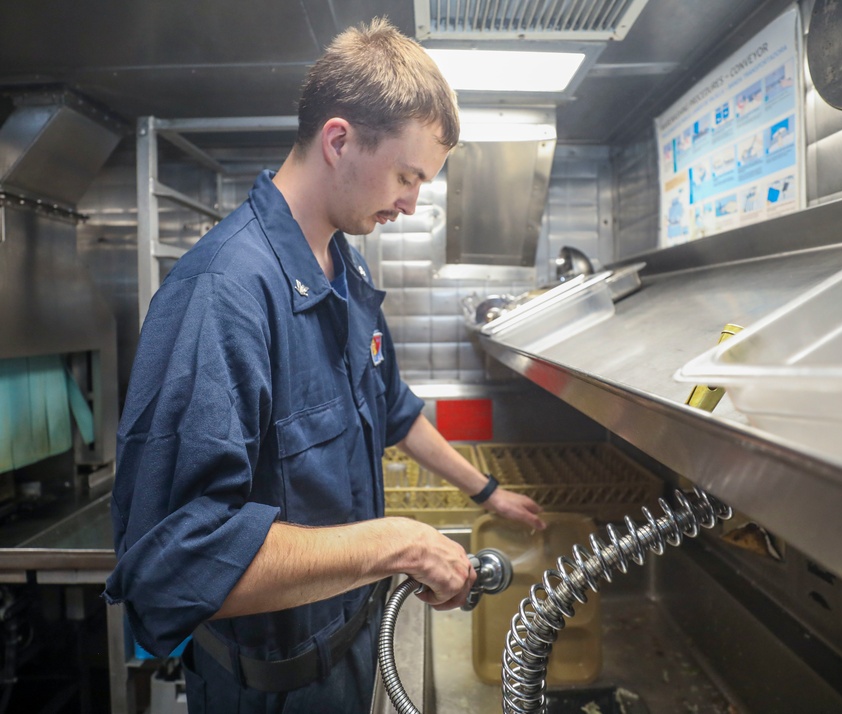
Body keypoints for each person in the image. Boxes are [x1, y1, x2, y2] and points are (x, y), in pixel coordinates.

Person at [103, 17, 545, 713]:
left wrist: (485, 493)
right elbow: (178, 561)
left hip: (348, 657)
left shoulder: (344, 272)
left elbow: (394, 407)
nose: (411, 201)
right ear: (339, 141)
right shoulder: (224, 293)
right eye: (406, 175)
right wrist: (395, 543)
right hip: (269, 690)